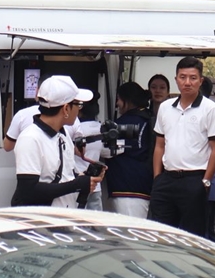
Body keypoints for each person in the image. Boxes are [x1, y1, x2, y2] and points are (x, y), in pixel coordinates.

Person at [148, 57, 215, 235]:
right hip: (167, 179)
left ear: (200, 81)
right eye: (182, 77)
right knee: (162, 233)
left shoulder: (210, 109)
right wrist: (157, 178)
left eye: (193, 78)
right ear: (176, 79)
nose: (187, 82)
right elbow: (160, 145)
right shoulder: (165, 107)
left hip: (195, 179)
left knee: (193, 235)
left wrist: (206, 181)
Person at [10, 76, 99, 208]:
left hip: (63, 216)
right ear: (66, 109)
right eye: (78, 105)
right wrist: (77, 185)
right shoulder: (30, 138)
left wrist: (85, 178)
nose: (79, 110)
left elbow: (66, 176)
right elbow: (28, 190)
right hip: (42, 219)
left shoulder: (63, 134)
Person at [104, 81, 153, 218]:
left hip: (127, 189)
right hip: (145, 186)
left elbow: (106, 150)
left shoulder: (124, 123)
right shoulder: (149, 119)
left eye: (119, 99)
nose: (117, 104)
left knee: (129, 229)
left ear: (127, 100)